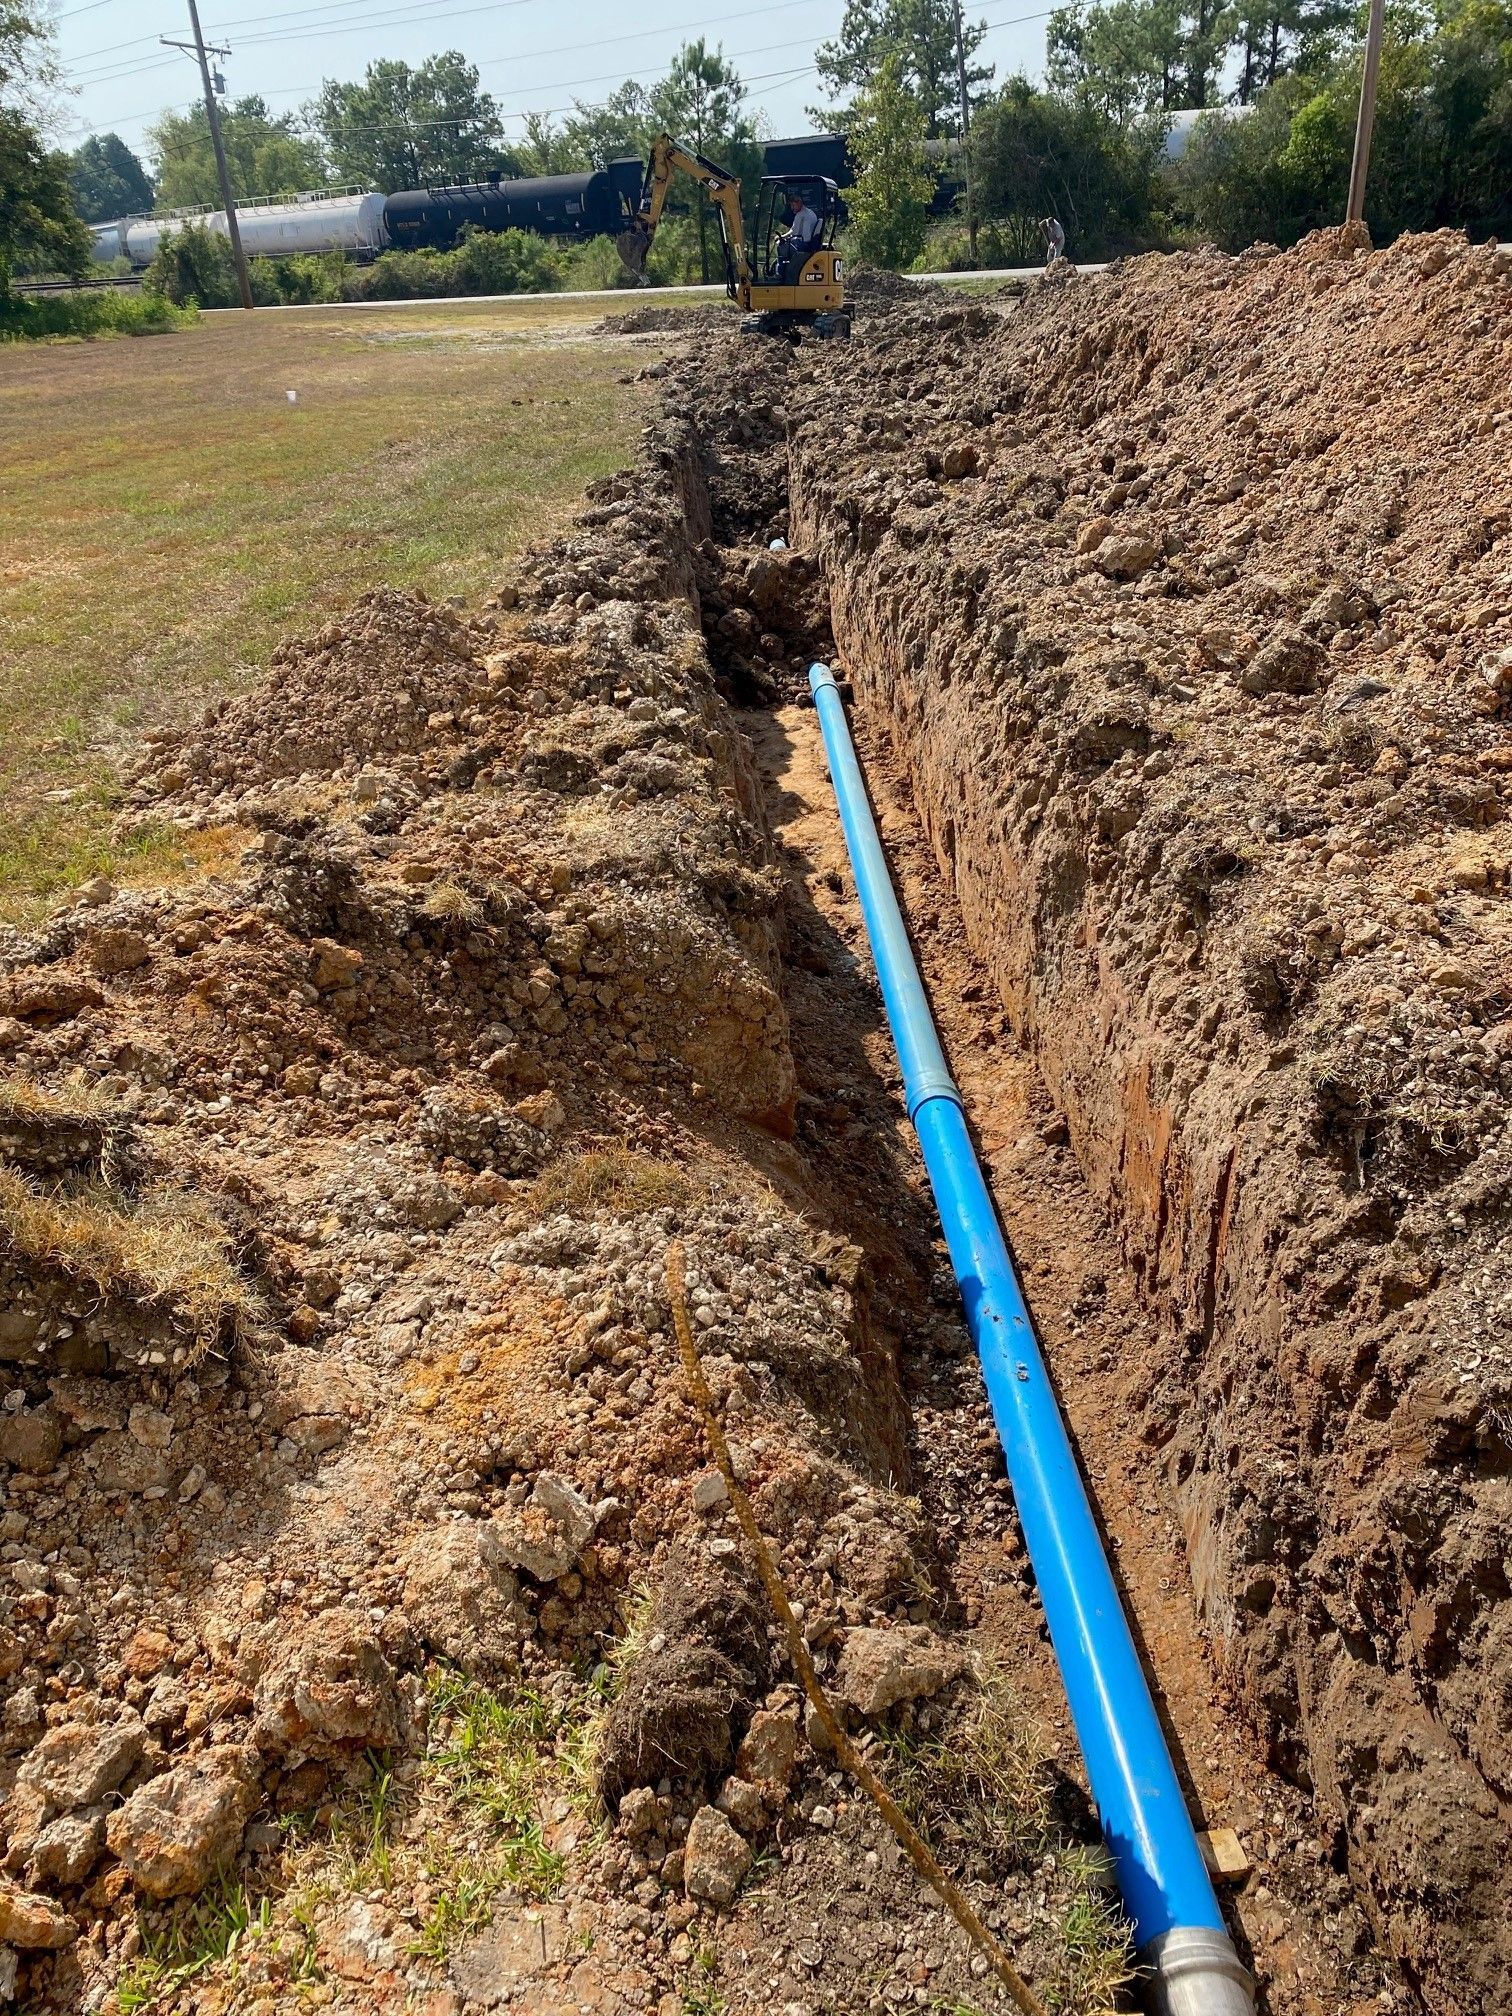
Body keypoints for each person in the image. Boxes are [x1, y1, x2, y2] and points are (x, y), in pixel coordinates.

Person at [777, 188, 821, 281]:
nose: (792, 208)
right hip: (809, 244)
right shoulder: (811, 213)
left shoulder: (801, 215)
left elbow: (795, 232)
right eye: (791, 205)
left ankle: (780, 274)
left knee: (780, 246)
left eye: (793, 205)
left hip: (804, 245)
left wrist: (782, 237)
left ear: (799, 203)